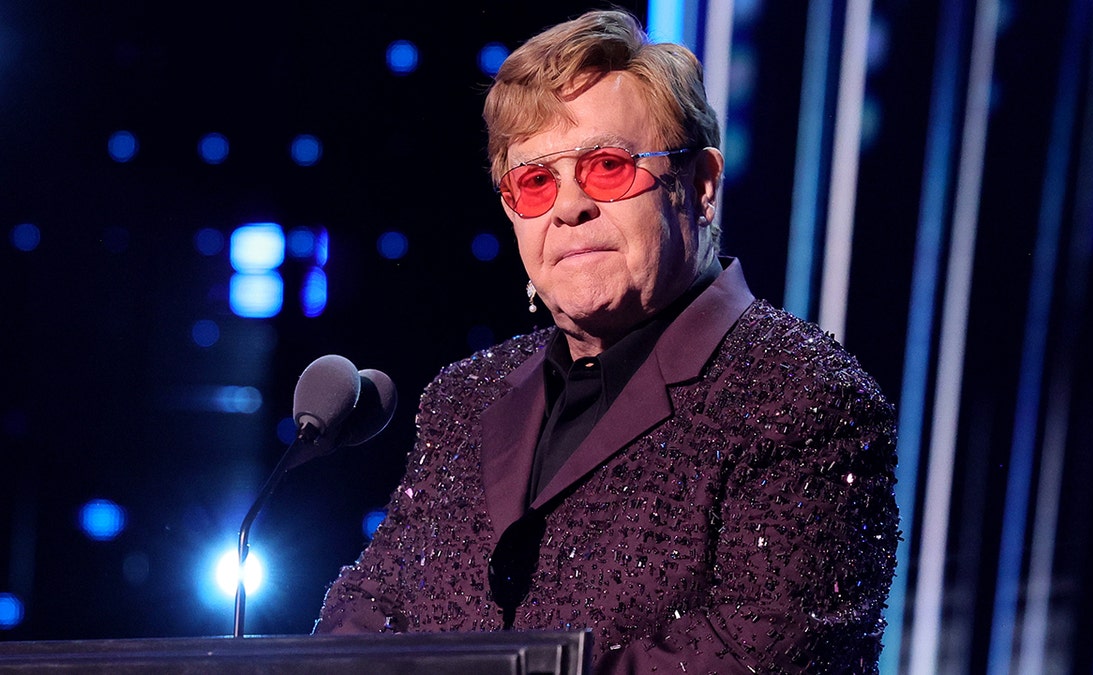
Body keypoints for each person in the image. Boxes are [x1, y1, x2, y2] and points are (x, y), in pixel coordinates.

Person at [315, 9, 899, 673]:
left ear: (701, 185)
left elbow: (755, 655)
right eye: (536, 181)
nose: (568, 207)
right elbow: (365, 613)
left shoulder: (803, 398)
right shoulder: (463, 398)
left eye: (607, 167)